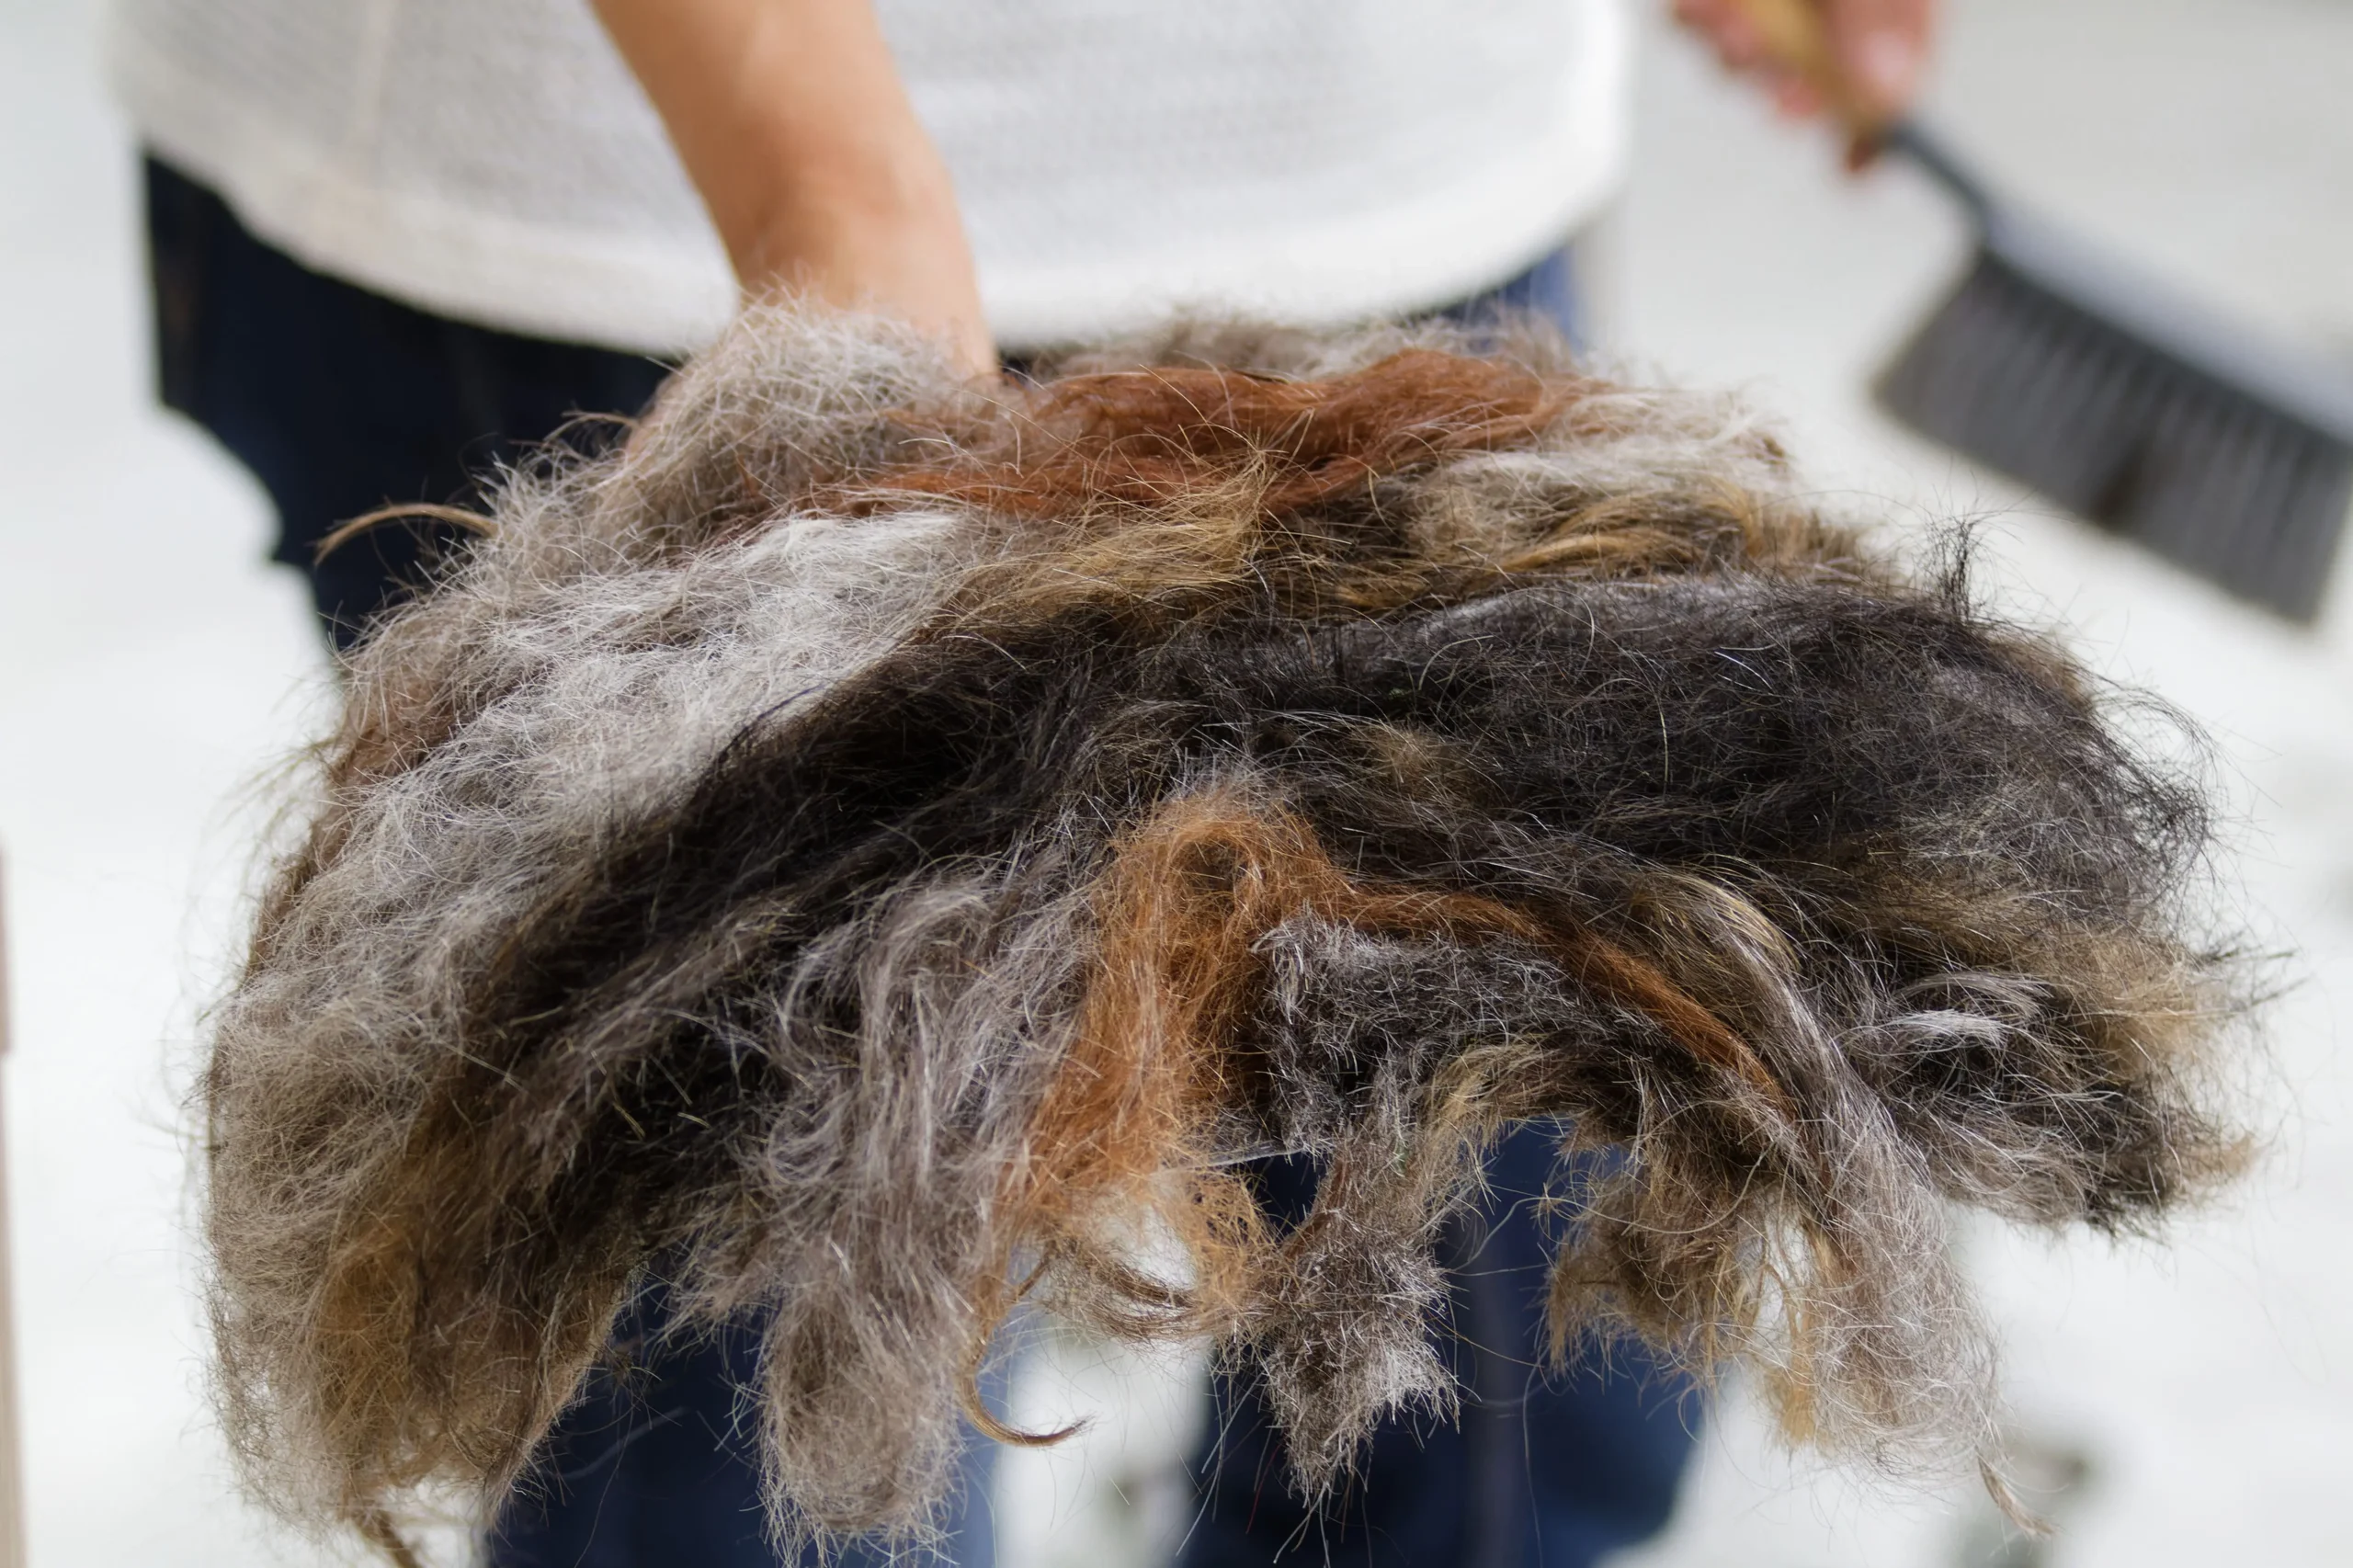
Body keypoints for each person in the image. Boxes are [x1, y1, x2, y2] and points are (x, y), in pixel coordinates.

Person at [108, 0, 1935, 1562]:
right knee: (774, 1452)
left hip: (1395, 200)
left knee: (1510, 1405)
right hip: (647, 233)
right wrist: (825, 195)